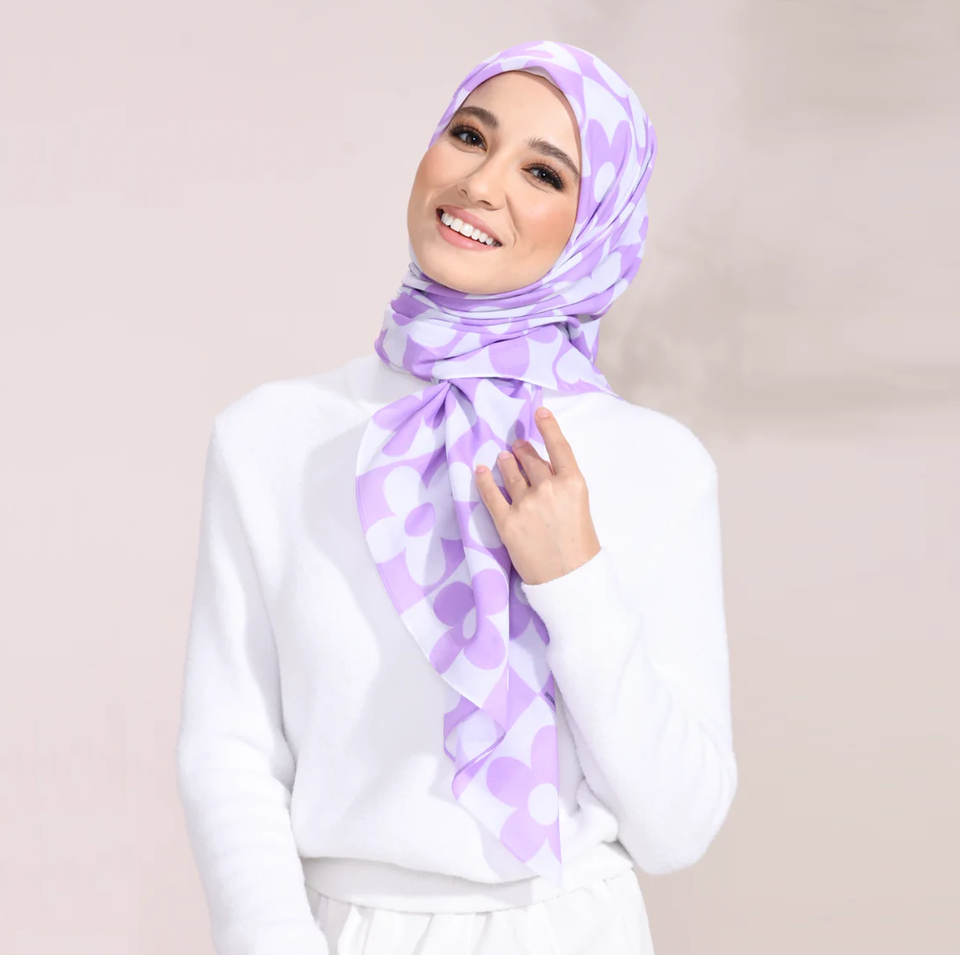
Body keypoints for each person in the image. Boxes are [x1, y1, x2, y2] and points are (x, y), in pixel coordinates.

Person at [175, 40, 738, 955]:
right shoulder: (272, 438)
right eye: (470, 135)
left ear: (595, 226)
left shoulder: (658, 464)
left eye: (543, 172)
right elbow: (229, 749)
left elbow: (679, 827)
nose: (481, 183)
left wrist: (573, 580)